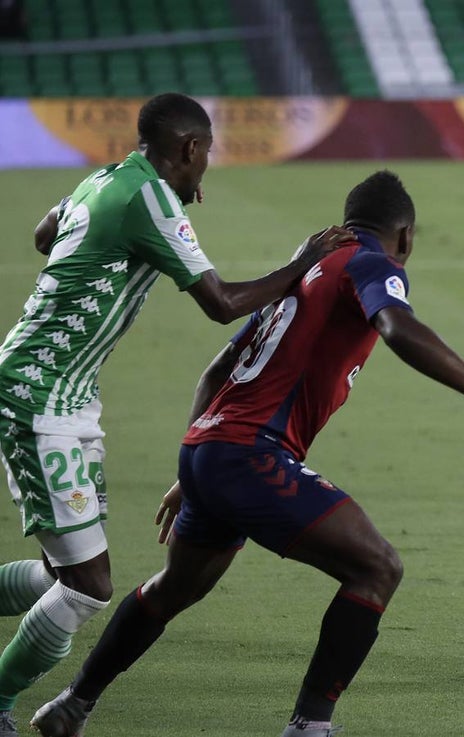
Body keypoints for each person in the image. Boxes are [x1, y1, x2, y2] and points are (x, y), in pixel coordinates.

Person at [30, 170, 464, 737]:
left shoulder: (307, 271)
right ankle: (309, 727)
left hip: (212, 451)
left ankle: (71, 705)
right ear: (404, 236)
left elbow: (216, 371)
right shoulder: (371, 264)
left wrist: (198, 457)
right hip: (251, 454)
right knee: (376, 568)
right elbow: (397, 327)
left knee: (174, 587)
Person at [0, 92, 349, 737]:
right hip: (36, 393)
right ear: (189, 149)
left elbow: (45, 233)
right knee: (86, 586)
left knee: (60, 572)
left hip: (69, 396)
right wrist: (302, 265)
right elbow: (221, 303)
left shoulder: (107, 177)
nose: (206, 169)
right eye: (206, 155)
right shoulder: (151, 199)